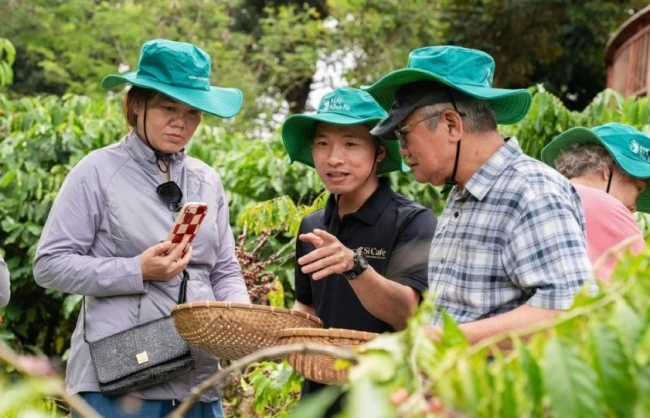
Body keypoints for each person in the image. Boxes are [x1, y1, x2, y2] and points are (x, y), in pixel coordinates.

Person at [33, 39, 250, 418]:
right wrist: (137, 270)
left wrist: (241, 319)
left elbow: (224, 269)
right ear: (136, 105)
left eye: (193, 111)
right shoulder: (97, 171)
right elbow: (49, 264)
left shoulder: (207, 180)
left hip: (198, 384)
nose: (181, 122)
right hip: (120, 380)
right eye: (169, 107)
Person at [364, 45, 592, 344]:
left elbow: (570, 312)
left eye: (403, 134)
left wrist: (446, 339)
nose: (402, 149)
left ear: (451, 124)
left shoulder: (531, 191)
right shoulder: (462, 194)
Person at [281, 87, 437, 414]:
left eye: (351, 143)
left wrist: (354, 265)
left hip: (385, 401)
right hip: (320, 397)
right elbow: (307, 307)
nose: (334, 158)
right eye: (322, 143)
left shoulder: (412, 222)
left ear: (379, 152)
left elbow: (408, 314)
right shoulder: (312, 226)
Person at [541, 122, 649, 283]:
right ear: (607, 171)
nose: (634, 206)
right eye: (638, 189)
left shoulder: (542, 192)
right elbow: (640, 285)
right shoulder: (606, 209)